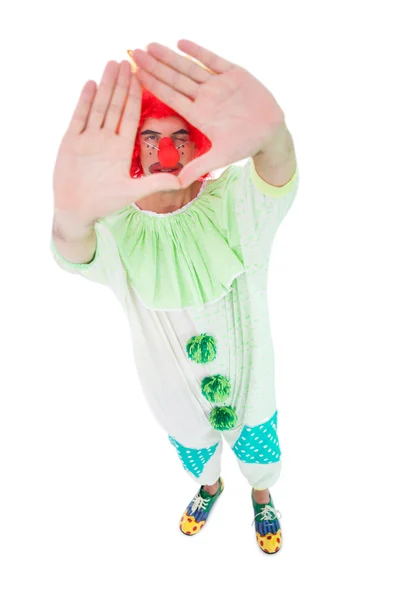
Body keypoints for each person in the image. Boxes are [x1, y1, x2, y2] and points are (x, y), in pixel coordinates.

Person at [50, 39, 299, 554]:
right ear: (133, 146)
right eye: (152, 135)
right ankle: (209, 486)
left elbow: (275, 177)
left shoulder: (230, 199)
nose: (168, 147)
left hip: (253, 377)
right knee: (194, 447)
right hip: (168, 387)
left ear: (198, 139)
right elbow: (76, 249)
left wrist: (275, 137)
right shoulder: (117, 225)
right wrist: (70, 215)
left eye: (180, 134)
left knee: (259, 446)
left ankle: (261, 495)